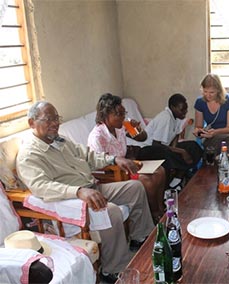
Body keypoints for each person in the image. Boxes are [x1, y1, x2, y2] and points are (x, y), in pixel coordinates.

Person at [16, 101, 155, 283]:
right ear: (31, 123)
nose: (55, 123)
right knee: (110, 210)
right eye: (48, 119)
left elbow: (88, 155)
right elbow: (41, 186)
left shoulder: (60, 141)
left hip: (92, 186)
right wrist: (78, 191)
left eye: (56, 118)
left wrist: (114, 158)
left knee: (134, 188)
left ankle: (140, 238)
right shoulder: (29, 155)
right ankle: (112, 269)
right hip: (74, 199)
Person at [87, 93, 167, 220]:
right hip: (114, 174)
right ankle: (154, 213)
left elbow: (143, 138)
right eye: (118, 114)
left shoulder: (121, 127)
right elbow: (98, 166)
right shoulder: (97, 136)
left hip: (128, 166)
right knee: (147, 180)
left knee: (160, 171)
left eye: (124, 113)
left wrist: (137, 129)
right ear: (105, 115)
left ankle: (160, 208)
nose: (123, 117)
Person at [138, 93, 203, 177]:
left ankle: (180, 176)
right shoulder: (165, 118)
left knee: (193, 146)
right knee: (169, 154)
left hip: (163, 147)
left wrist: (177, 148)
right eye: (182, 109)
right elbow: (156, 145)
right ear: (172, 107)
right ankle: (178, 176)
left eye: (186, 109)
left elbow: (176, 135)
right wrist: (182, 152)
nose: (185, 112)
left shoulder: (178, 117)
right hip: (148, 150)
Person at [193, 73, 229, 162]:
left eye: (211, 92)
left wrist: (215, 132)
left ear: (218, 90)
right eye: (205, 92)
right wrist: (198, 131)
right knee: (213, 145)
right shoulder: (200, 102)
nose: (208, 95)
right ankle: (215, 167)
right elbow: (199, 125)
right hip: (212, 134)